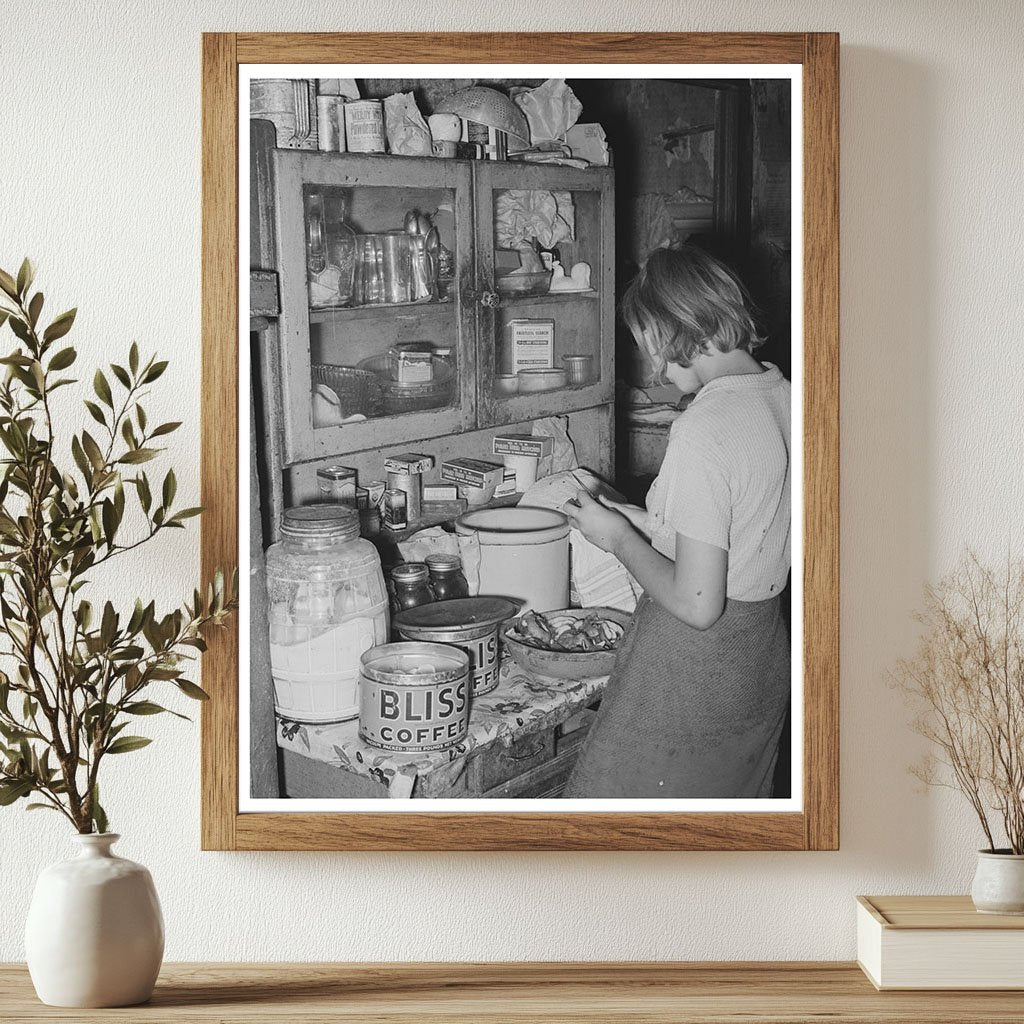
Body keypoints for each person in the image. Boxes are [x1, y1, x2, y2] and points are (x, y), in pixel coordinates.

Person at [562, 245, 791, 799]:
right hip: (760, 655)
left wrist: (617, 537)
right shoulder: (783, 395)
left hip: (694, 668)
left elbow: (697, 603)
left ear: (670, 331)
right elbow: (743, 526)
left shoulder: (705, 425)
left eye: (649, 346)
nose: (654, 367)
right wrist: (644, 520)